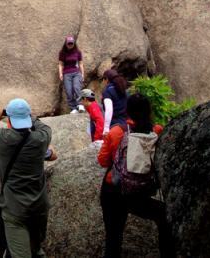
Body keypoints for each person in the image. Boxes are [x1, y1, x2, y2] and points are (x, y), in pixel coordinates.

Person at [97, 93, 174, 258]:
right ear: (149, 111)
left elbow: (103, 161)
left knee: (113, 238)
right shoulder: (157, 131)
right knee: (163, 217)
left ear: (127, 111)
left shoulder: (116, 132)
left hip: (114, 191)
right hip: (139, 193)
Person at [0, 98, 51, 258]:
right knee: (36, 252)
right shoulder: (41, 138)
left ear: (9, 120)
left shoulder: (3, 138)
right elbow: (43, 126)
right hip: (39, 207)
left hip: (15, 209)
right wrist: (28, 115)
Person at [58, 36, 85, 114]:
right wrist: (60, 73)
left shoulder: (78, 52)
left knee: (76, 87)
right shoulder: (62, 53)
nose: (70, 45)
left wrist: (82, 74)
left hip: (76, 72)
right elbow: (60, 64)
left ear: (74, 43)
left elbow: (80, 63)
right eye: (68, 43)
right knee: (69, 91)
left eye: (71, 43)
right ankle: (73, 108)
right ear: (66, 44)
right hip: (66, 73)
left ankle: (80, 105)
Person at [101, 69, 128, 136]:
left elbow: (109, 110)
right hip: (126, 125)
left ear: (106, 79)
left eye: (103, 79)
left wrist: (106, 128)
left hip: (115, 126)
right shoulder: (123, 90)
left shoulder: (108, 92)